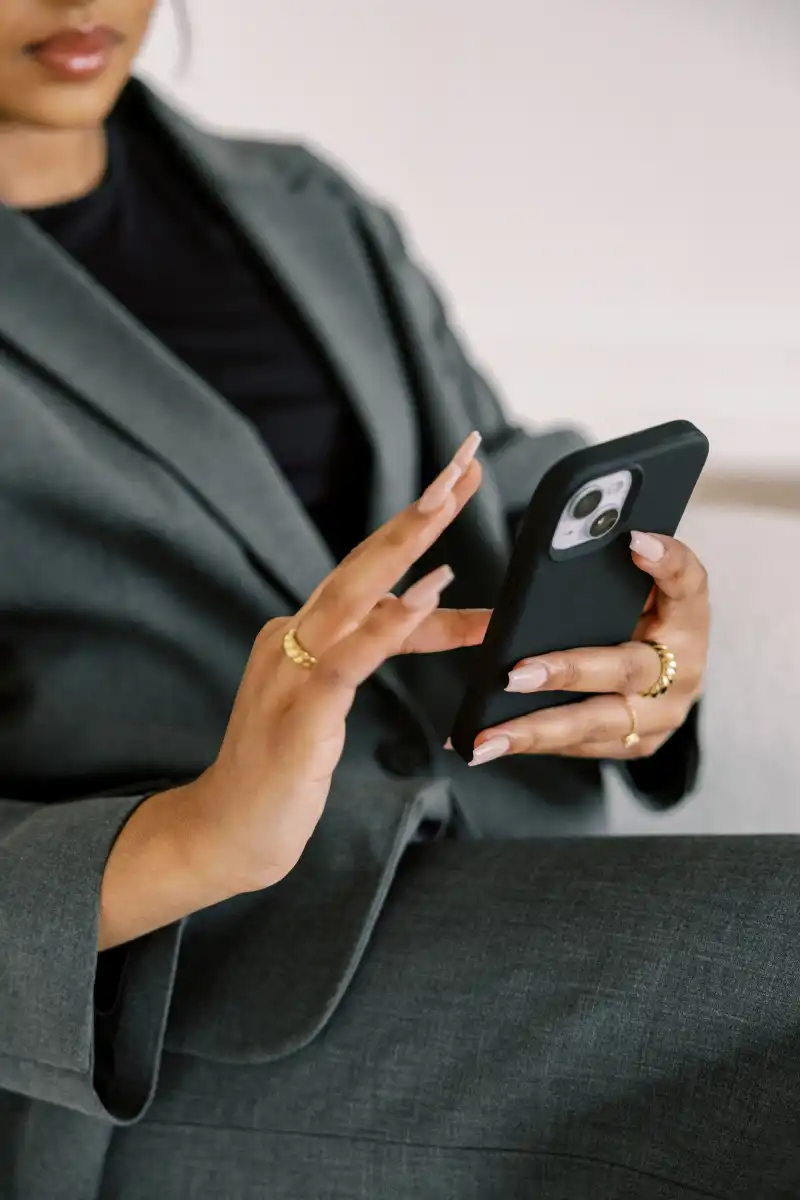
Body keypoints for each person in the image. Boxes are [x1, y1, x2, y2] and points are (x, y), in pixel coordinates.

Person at [0, 3, 797, 1198]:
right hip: (175, 1022)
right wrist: (197, 835)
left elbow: (496, 472)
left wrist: (641, 646)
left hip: (506, 862)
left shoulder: (302, 203)